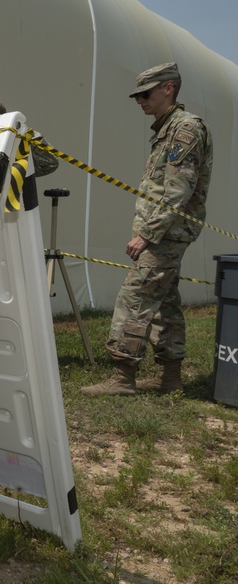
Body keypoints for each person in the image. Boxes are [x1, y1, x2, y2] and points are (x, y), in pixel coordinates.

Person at [83, 62, 212, 396]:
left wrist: (147, 233)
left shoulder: (185, 129)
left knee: (135, 297)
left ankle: (123, 377)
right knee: (165, 304)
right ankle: (170, 379)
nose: (140, 100)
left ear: (168, 88)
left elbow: (177, 192)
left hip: (165, 234)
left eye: (145, 93)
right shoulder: (166, 129)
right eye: (137, 95)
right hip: (165, 232)